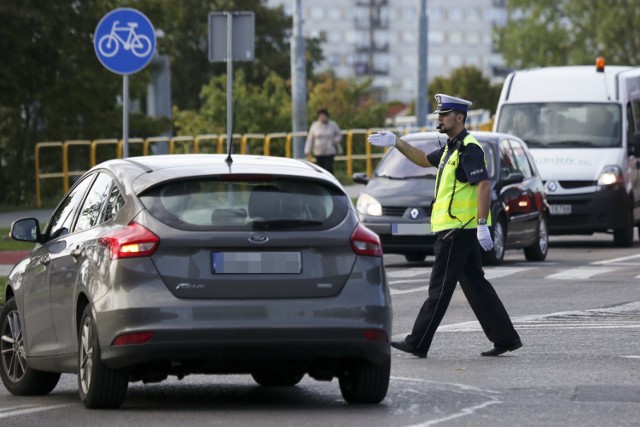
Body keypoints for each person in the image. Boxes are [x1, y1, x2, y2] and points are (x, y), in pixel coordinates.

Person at [367, 94, 522, 358]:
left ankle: (418, 342)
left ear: (459, 118)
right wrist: (396, 142)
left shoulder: (469, 149)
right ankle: (505, 337)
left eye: (444, 114)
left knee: (439, 290)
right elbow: (421, 159)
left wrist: (483, 224)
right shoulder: (451, 147)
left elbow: (483, 185)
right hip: (456, 229)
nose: (439, 119)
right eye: (439, 115)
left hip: (457, 231)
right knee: (476, 286)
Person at [304, 108, 342, 173]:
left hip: (329, 151)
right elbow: (310, 139)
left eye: (324, 116)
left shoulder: (332, 124)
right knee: (320, 169)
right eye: (321, 116)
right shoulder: (315, 125)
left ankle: (330, 181)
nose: (322, 117)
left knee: (328, 167)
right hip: (318, 152)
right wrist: (307, 150)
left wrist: (335, 140)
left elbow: (339, 134)